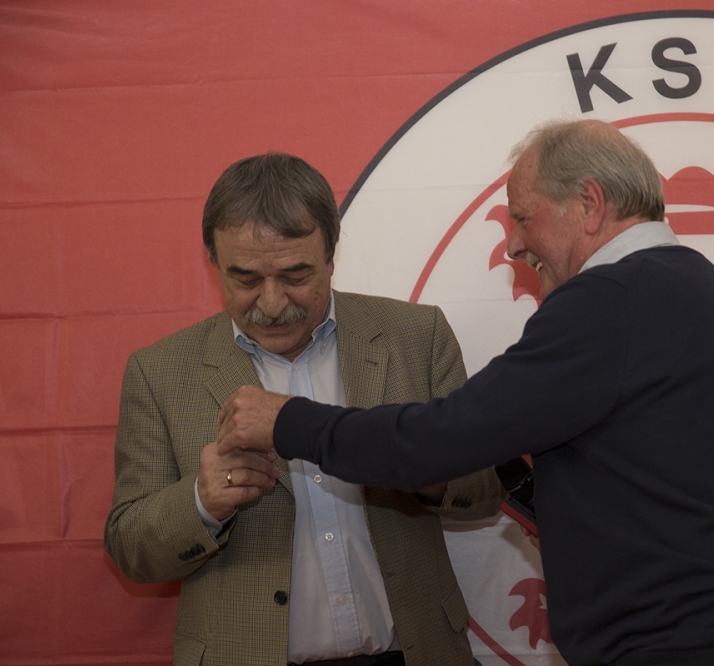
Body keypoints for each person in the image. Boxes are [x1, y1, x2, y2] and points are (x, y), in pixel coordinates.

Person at [217, 120, 714, 666]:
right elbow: (685, 483)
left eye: (522, 217)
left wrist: (289, 421)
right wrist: (569, 517)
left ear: (589, 204)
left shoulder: (606, 300)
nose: (512, 244)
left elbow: (437, 442)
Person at [103, 153, 505, 666]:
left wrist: (419, 465)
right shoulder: (159, 371)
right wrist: (201, 501)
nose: (272, 304)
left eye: (295, 275)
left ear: (332, 255)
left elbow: (487, 488)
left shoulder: (415, 337)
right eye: (246, 279)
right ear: (213, 261)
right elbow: (129, 547)